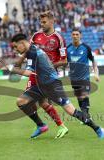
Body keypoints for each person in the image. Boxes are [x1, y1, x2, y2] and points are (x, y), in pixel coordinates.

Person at [9, 33, 104, 139]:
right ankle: (41, 125)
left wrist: (12, 69)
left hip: (52, 85)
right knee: (21, 101)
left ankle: (97, 128)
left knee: (70, 110)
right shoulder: (30, 50)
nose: (15, 49)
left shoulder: (32, 51)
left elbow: (29, 73)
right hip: (40, 85)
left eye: (15, 46)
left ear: (22, 43)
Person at [22, 10, 69, 138]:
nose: (41, 24)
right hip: (35, 73)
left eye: (44, 22)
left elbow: (64, 61)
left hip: (48, 77)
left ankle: (52, 126)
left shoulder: (58, 38)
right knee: (33, 102)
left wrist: (48, 67)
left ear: (52, 21)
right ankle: (46, 126)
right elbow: (30, 52)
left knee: (32, 102)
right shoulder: (36, 36)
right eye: (40, 22)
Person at [67, 28, 100, 124]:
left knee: (84, 94)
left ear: (80, 35)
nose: (75, 36)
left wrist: (96, 73)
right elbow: (65, 62)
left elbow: (93, 60)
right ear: (71, 36)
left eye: (77, 34)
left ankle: (85, 116)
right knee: (79, 97)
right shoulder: (68, 48)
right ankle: (85, 115)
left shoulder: (86, 47)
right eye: (73, 34)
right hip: (74, 78)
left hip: (84, 77)